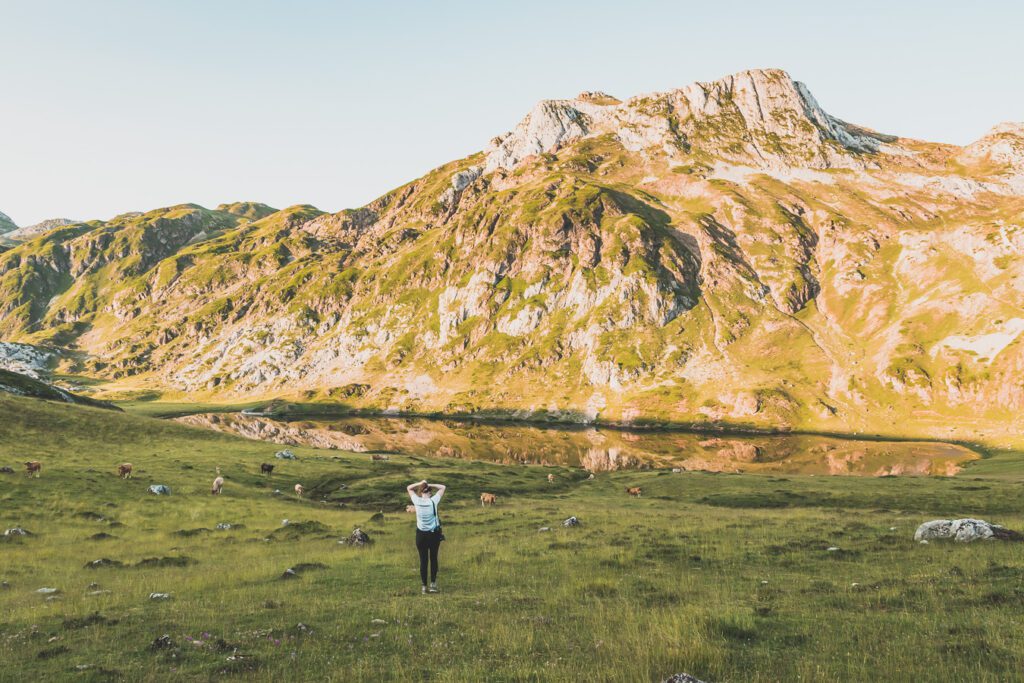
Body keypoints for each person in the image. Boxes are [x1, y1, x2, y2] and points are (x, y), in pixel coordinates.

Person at [406, 479, 446, 594]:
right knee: (433, 559)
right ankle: (433, 585)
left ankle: (424, 587)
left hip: (421, 536)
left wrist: (420, 483)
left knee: (423, 561)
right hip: (433, 535)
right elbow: (443, 487)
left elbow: (409, 487)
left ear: (421, 492)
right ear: (429, 492)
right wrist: (431, 484)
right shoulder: (433, 501)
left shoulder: (416, 501)